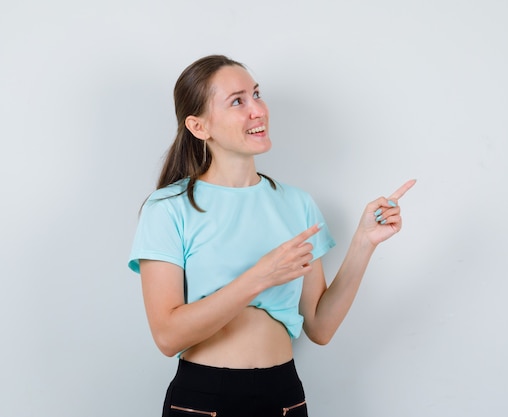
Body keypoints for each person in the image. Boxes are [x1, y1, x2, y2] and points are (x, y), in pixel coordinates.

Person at [128, 54, 415, 417]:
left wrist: (363, 243)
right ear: (199, 127)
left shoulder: (296, 204)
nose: (257, 109)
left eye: (257, 94)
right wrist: (260, 276)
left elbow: (320, 327)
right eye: (237, 101)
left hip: (283, 395)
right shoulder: (168, 207)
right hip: (203, 398)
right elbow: (167, 336)